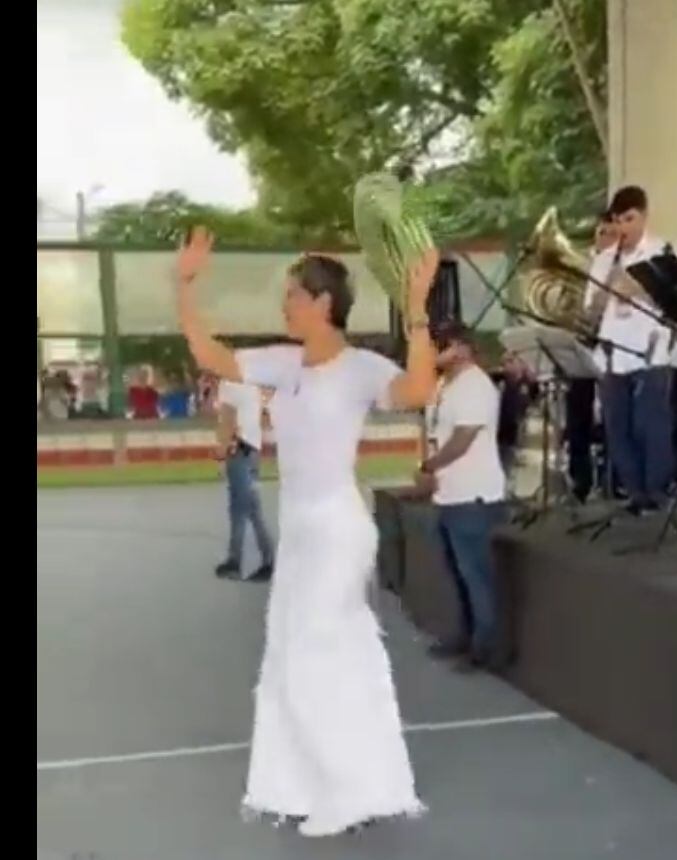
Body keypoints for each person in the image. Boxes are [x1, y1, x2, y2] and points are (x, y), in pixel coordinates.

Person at [176, 228, 437, 838]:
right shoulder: (282, 361)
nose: (284, 305)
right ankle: (304, 785)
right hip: (299, 533)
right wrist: (184, 286)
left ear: (323, 302)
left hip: (338, 528)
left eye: (293, 295)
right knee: (300, 654)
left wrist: (417, 312)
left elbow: (418, 390)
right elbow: (211, 356)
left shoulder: (361, 368)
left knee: (314, 653)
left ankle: (345, 793)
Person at [420, 323, 506, 671]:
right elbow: (435, 430)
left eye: (440, 346)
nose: (434, 353)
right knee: (458, 573)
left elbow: (463, 438)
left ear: (461, 347)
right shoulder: (444, 385)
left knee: (476, 575)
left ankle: (485, 647)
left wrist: (430, 465)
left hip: (473, 494)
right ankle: (465, 634)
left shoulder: (476, 385)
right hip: (448, 493)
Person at [586, 186, 673, 515]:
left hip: (650, 351)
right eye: (618, 221)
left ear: (644, 216)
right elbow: (591, 312)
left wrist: (637, 289)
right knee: (617, 428)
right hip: (613, 354)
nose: (624, 227)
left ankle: (656, 492)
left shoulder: (661, 252)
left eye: (630, 219)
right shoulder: (604, 260)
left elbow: (673, 301)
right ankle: (635, 493)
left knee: (650, 426)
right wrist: (605, 287)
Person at [566, 210, 618, 502]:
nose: (606, 239)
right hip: (584, 346)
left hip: (611, 348)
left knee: (613, 418)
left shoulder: (621, 265)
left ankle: (614, 480)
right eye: (602, 233)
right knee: (577, 417)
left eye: (612, 234)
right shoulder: (584, 268)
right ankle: (580, 481)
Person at [214, 381, 276, 582]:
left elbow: (227, 422)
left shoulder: (228, 386)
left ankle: (242, 562)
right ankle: (258, 559)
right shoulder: (252, 386)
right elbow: (264, 420)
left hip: (238, 451)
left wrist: (220, 456)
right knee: (249, 508)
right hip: (252, 450)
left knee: (241, 509)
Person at [491, 351, 538, 480]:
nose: (506, 366)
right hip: (497, 427)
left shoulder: (527, 383)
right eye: (504, 363)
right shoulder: (499, 379)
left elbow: (534, 397)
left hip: (513, 429)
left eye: (510, 361)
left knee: (507, 463)